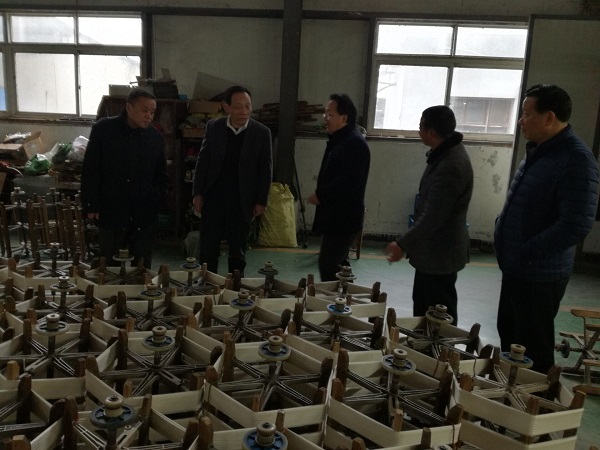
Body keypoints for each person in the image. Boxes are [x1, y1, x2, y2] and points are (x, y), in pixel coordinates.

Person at [495, 84, 599, 374]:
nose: (521, 121)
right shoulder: (540, 152)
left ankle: (537, 400)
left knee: (533, 350)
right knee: (511, 337)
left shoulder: (576, 160)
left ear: (549, 117)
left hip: (539, 275)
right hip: (518, 268)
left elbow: (576, 224)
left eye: (527, 114)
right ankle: (510, 395)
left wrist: (527, 252)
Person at [386, 105, 473, 325]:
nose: (418, 131)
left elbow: (433, 216)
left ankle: (440, 346)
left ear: (431, 132)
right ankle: (423, 344)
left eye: (420, 126)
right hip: (432, 251)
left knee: (438, 313)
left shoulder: (451, 164)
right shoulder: (443, 153)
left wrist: (402, 243)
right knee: (424, 306)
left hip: (440, 253)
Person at [81, 88, 168, 268]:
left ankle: (141, 286)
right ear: (129, 108)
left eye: (152, 112)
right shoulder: (104, 130)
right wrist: (91, 204)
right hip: (112, 207)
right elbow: (91, 169)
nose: (149, 116)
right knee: (109, 262)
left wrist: (156, 198)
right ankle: (108, 286)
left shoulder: (154, 138)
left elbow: (161, 174)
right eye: (145, 110)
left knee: (142, 263)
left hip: (143, 210)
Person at [192, 85, 272, 276]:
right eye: (238, 106)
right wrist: (197, 193)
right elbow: (203, 162)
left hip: (242, 200)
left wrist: (261, 201)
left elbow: (266, 170)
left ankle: (235, 286)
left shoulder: (261, 133)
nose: (244, 111)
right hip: (214, 197)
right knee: (208, 249)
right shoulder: (214, 127)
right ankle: (207, 284)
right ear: (226, 106)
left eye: (247, 106)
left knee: (238, 251)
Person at [307, 94, 370, 281]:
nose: (325, 118)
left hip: (344, 218)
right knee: (338, 265)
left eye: (330, 114)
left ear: (344, 118)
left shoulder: (354, 143)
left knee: (328, 265)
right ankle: (342, 294)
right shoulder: (340, 139)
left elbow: (349, 181)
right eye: (325, 114)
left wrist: (321, 194)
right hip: (335, 216)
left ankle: (335, 298)